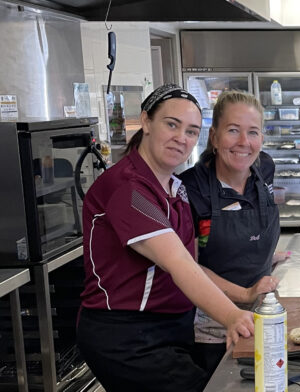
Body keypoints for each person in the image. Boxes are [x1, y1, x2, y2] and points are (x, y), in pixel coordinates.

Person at [76, 84, 255, 392]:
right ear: (146, 121)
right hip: (129, 336)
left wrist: (243, 296)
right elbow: (178, 262)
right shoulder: (129, 188)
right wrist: (232, 316)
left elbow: (192, 263)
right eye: (172, 124)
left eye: (191, 131)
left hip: (170, 328)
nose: (181, 138)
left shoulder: (175, 188)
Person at [178, 91, 281, 376]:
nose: (244, 143)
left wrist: (267, 254)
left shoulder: (264, 168)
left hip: (263, 310)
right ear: (214, 136)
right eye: (233, 131)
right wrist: (244, 293)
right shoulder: (189, 189)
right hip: (211, 324)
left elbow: (255, 225)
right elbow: (188, 266)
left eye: (253, 132)